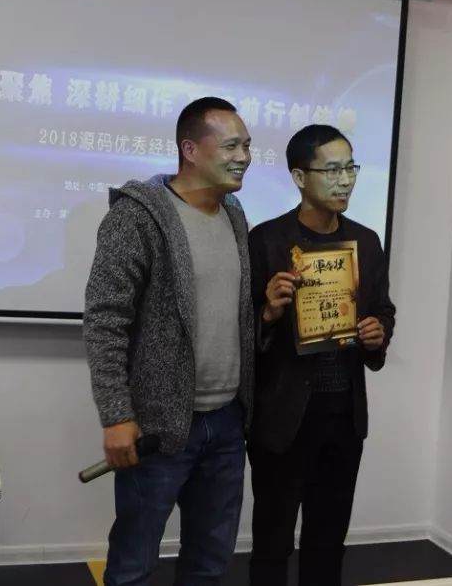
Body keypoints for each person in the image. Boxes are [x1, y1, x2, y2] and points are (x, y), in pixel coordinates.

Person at [83, 96, 255, 585]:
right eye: (231, 146)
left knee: (210, 562)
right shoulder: (137, 216)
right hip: (158, 427)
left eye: (247, 146)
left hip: (227, 424)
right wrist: (116, 415)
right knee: (134, 564)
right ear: (190, 150)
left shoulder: (235, 215)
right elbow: (105, 319)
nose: (244, 157)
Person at [247, 124, 396, 586]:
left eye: (350, 168)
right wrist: (268, 312)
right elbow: (241, 326)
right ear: (299, 177)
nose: (345, 180)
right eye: (331, 170)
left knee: (328, 538)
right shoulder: (267, 240)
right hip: (284, 416)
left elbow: (383, 309)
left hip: (343, 414)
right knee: (273, 539)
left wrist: (377, 333)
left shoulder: (366, 241)